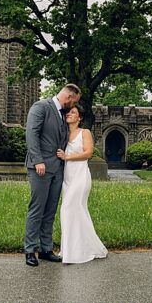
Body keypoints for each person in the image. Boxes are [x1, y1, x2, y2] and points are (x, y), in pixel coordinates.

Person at [23, 83, 80, 266]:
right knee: (37, 209)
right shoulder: (41, 107)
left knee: (50, 211)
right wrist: (38, 160)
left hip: (57, 169)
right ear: (69, 98)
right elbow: (32, 133)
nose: (73, 107)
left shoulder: (63, 114)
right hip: (40, 167)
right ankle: (30, 249)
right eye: (74, 102)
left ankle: (46, 249)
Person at [56, 104, 107, 264]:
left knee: (67, 208)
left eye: (73, 112)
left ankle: (73, 253)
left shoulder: (85, 132)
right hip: (67, 177)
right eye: (68, 112)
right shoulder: (63, 134)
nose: (69, 115)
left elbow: (88, 153)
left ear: (80, 118)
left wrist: (67, 157)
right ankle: (76, 248)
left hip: (80, 176)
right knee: (76, 212)